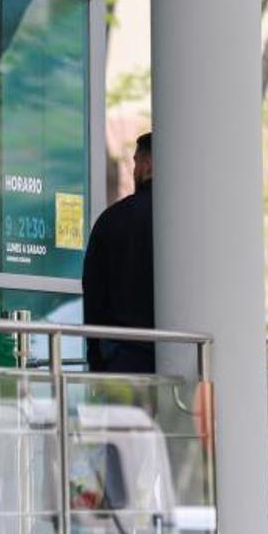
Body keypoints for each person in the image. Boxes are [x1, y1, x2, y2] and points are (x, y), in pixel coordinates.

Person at [83, 132, 155, 373]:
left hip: (122, 354)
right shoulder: (188, 223)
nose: (133, 171)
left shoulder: (113, 220)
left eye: (136, 162)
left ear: (148, 165)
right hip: (178, 350)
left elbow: (94, 293)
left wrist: (95, 360)